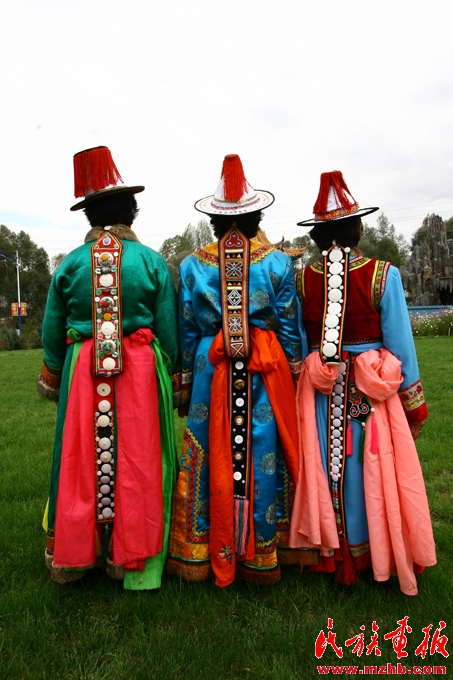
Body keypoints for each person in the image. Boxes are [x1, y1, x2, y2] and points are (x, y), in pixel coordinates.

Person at [167, 154, 317, 587]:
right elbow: (288, 325)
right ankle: (264, 549)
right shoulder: (277, 262)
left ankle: (201, 547)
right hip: (265, 365)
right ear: (257, 217)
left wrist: (185, 385)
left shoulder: (193, 264)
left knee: (208, 444)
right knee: (264, 444)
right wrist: (293, 375)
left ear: (213, 220)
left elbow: (187, 329)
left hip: (208, 366)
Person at [38, 146, 180, 589]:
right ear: (131, 212)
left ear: (90, 215)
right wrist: (173, 372)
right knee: (138, 457)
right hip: (138, 369)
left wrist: (53, 373)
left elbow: (51, 329)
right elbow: (168, 326)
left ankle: (77, 553)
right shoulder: (151, 261)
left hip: (83, 370)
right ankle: (128, 552)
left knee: (80, 456)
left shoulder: (70, 264)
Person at [289, 170, 436, 595]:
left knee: (327, 463)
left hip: (322, 390)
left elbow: (300, 343)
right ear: (357, 229)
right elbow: (401, 346)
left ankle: (334, 549)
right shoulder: (382, 274)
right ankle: (375, 550)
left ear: (318, 234)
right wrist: (414, 405)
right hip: (371, 390)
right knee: (372, 467)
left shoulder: (304, 279)